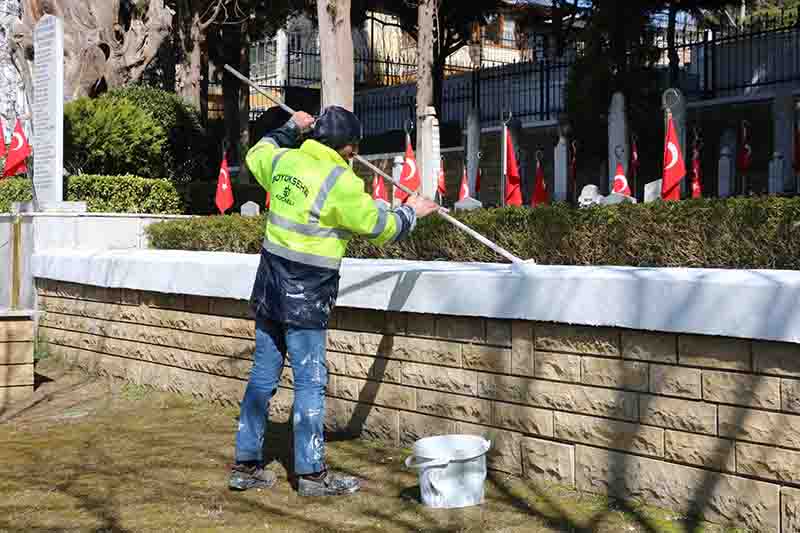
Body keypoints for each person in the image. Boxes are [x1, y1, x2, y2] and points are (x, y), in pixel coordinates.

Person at [228, 106, 439, 497]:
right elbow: (382, 228)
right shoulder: (340, 180)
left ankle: (245, 466)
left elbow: (258, 152)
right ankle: (311, 476)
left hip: (270, 287)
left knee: (262, 377)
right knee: (310, 381)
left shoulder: (286, 159)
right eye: (352, 149)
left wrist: (291, 127)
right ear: (348, 148)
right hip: (306, 295)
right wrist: (413, 211)